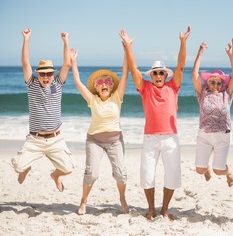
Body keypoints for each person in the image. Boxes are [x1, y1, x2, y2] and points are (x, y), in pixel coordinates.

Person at [119, 26, 191, 220]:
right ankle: (151, 209)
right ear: (151, 75)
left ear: (166, 75)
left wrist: (183, 42)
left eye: (161, 73)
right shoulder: (145, 88)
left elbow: (181, 66)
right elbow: (133, 69)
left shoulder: (172, 87)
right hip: (150, 138)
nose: (158, 76)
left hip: (170, 138)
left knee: (172, 175)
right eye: (155, 73)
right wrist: (127, 46)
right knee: (147, 174)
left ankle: (165, 210)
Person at [11, 29, 75, 192]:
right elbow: (25, 63)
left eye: (49, 74)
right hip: (35, 140)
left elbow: (67, 64)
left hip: (55, 139)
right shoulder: (32, 84)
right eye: (42, 74)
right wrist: (26, 39)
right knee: (18, 166)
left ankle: (55, 176)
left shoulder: (58, 84)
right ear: (37, 75)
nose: (46, 77)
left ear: (53, 74)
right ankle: (26, 169)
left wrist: (66, 41)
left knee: (68, 168)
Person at [70, 47, 129, 215]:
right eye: (100, 83)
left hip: (115, 141)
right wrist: (74, 62)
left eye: (107, 82)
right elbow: (77, 82)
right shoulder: (92, 99)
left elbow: (125, 74)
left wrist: (126, 50)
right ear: (96, 88)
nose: (104, 84)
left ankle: (122, 198)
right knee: (92, 174)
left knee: (121, 174)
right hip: (94, 141)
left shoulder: (117, 98)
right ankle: (83, 201)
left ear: (112, 88)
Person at [191, 36, 233, 187]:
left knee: (219, 170)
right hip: (204, 135)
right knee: (199, 170)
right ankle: (206, 168)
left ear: (222, 84)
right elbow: (194, 74)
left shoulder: (227, 93)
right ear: (208, 82)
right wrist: (200, 52)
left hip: (222, 136)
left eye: (219, 82)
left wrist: (232, 53)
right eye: (212, 81)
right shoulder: (203, 93)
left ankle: (229, 171)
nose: (216, 84)